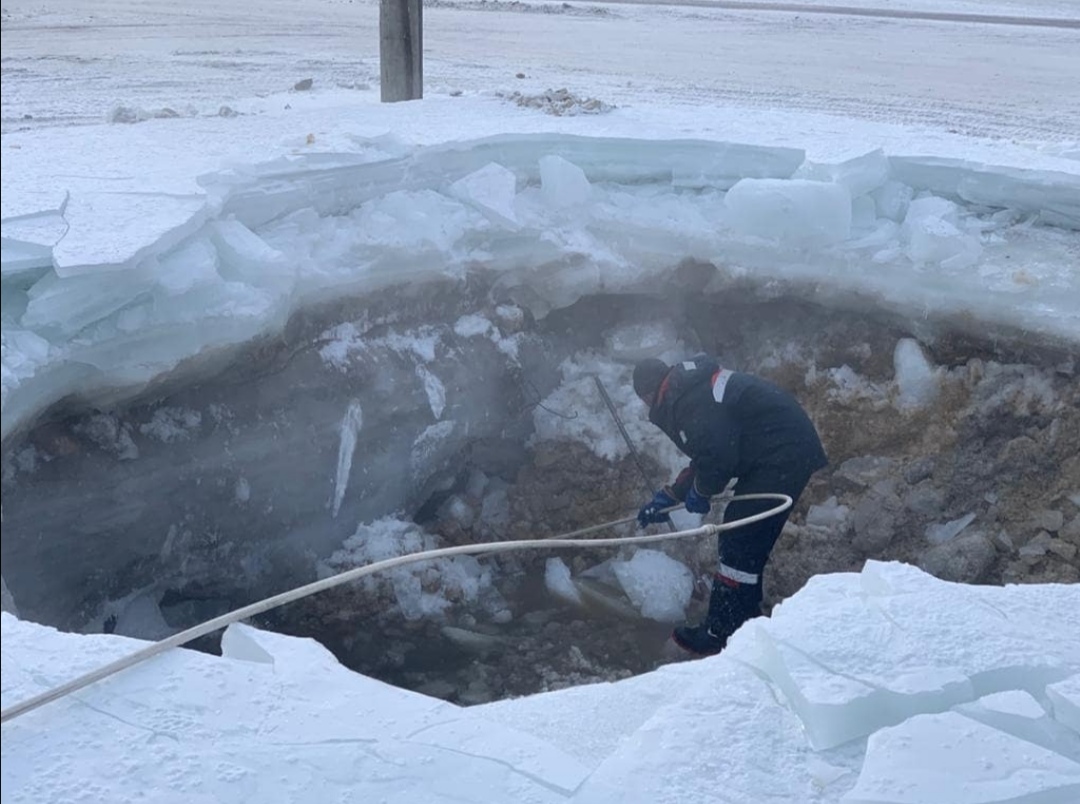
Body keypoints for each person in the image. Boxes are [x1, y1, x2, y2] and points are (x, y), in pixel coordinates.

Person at [633, 355, 828, 656]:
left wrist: (701, 491)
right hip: (775, 451)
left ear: (648, 394)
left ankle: (721, 632)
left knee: (739, 538)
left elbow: (718, 456)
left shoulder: (688, 400)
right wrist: (672, 495)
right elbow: (709, 454)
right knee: (744, 539)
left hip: (781, 452)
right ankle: (745, 621)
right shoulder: (690, 391)